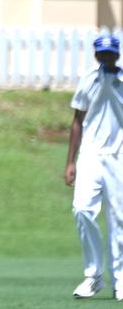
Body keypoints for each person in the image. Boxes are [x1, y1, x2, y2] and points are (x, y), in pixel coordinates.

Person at [65, 34, 123, 301]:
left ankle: (120, 279)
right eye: (102, 53)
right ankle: (93, 276)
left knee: (119, 219)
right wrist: (70, 161)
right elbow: (78, 120)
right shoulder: (88, 79)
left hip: (119, 157)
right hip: (89, 156)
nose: (107, 57)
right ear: (96, 54)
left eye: (111, 53)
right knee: (82, 210)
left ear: (118, 54)